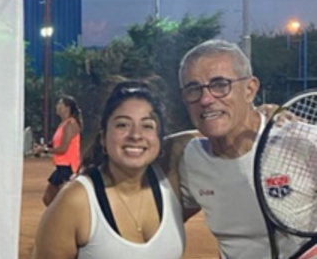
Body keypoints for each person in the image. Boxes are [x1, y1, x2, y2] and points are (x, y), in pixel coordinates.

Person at [174, 39, 313, 259]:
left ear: (249, 90)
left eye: (220, 85)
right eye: (194, 89)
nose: (206, 99)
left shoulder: (303, 143)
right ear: (184, 99)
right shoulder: (191, 158)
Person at [31, 81, 186, 259]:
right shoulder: (76, 201)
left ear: (160, 139)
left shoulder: (171, 183)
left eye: (147, 125)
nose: (136, 135)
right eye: (122, 125)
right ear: (103, 138)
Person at [33, 95, 82, 206]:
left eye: (60, 104)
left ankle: (69, 221)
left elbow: (62, 149)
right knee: (48, 199)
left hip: (68, 167)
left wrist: (44, 150)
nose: (57, 106)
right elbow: (54, 143)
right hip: (61, 167)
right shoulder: (63, 124)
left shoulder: (70, 124)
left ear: (67, 108)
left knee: (64, 202)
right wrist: (42, 147)